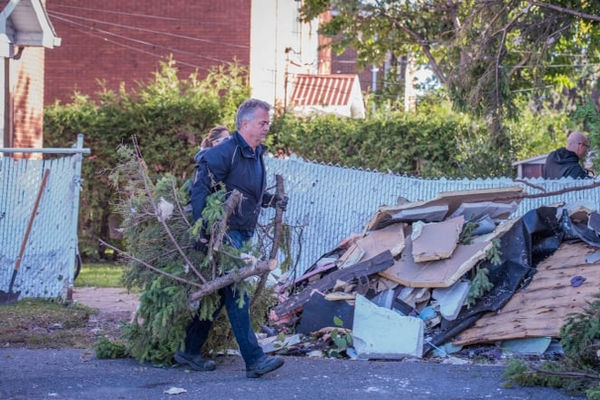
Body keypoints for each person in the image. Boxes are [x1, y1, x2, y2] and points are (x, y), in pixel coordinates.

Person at [177, 98, 287, 378]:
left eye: (267, 123)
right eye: (262, 123)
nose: (266, 127)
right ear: (245, 124)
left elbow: (247, 192)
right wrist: (202, 231)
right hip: (225, 233)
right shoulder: (224, 152)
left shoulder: (254, 154)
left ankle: (189, 351)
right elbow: (199, 189)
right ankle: (254, 359)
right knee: (238, 292)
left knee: (220, 294)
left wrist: (272, 200)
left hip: (243, 232)